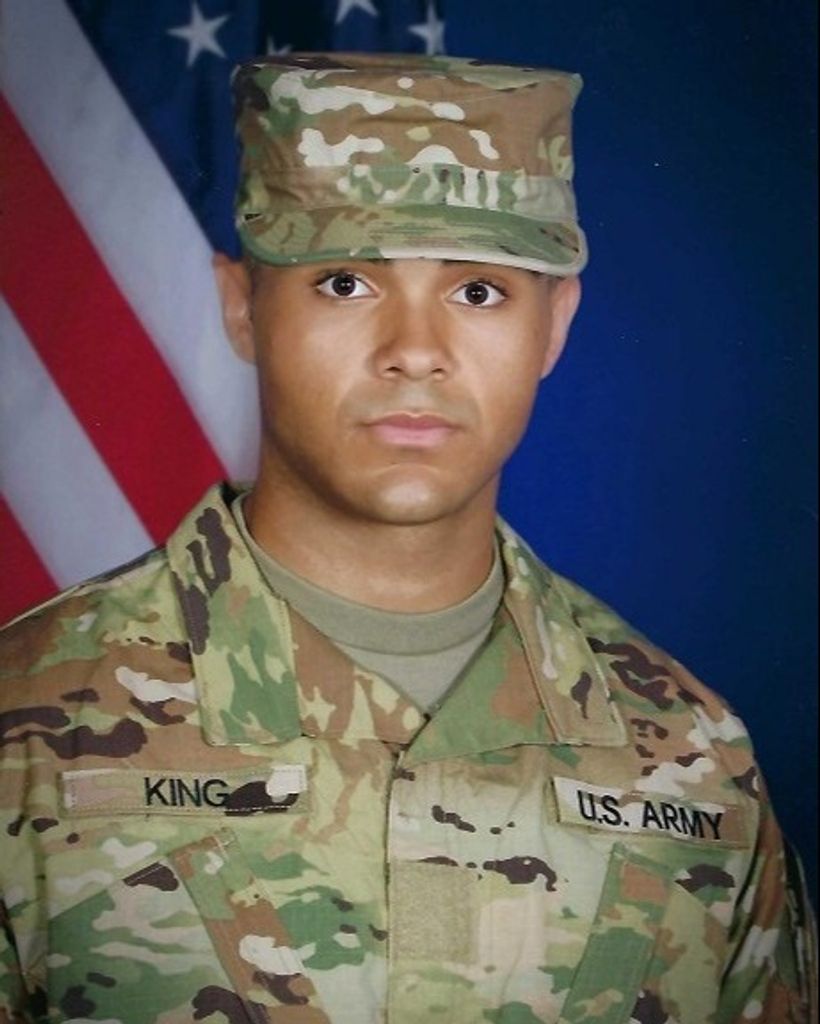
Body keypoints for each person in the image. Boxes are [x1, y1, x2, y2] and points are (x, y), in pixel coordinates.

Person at [0, 52, 815, 1024]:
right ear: (241, 307)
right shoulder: (26, 729)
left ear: (554, 325)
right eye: (346, 281)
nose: (416, 352)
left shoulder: (695, 759)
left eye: (478, 292)